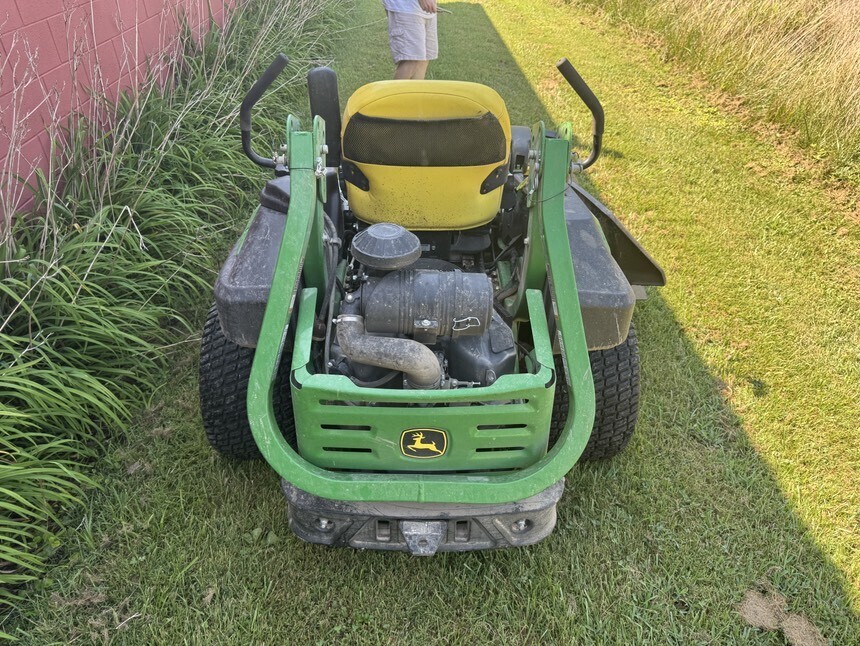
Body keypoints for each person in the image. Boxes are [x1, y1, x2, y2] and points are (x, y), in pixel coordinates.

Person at [382, 0, 438, 80]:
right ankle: (399, 89)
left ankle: (415, 89)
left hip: (426, 9)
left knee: (422, 61)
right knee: (411, 60)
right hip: (406, 8)